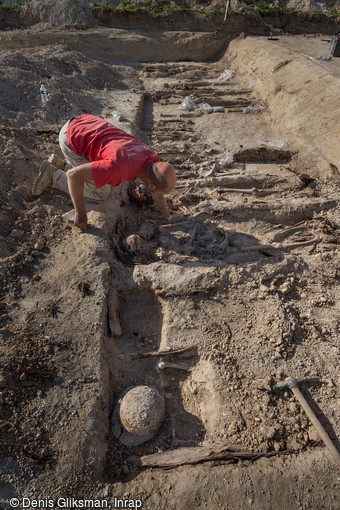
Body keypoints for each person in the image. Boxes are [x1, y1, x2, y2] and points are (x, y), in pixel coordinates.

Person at [33, 114, 183, 229]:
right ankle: (52, 174)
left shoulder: (150, 155)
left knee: (98, 175)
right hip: (71, 138)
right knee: (100, 193)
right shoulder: (118, 168)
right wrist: (80, 213)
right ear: (151, 185)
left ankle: (61, 164)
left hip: (87, 122)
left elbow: (156, 189)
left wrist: (167, 216)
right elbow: (74, 176)